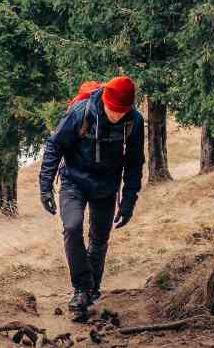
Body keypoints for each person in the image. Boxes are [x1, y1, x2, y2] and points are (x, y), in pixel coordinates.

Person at [38, 76, 145, 312]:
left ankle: (91, 290)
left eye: (122, 111)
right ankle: (81, 288)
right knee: (73, 227)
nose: (117, 115)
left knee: (99, 239)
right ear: (105, 100)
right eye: (113, 109)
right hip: (73, 180)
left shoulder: (134, 121)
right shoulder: (80, 113)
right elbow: (55, 145)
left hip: (107, 186)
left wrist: (128, 202)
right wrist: (45, 186)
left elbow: (135, 164)